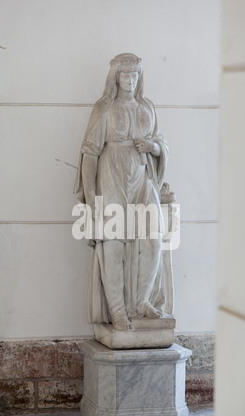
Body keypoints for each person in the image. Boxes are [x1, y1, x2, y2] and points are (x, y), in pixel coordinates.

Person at [74, 53, 169, 331]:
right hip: (112, 175)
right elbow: (90, 153)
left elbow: (161, 142)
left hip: (142, 178)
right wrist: (91, 197)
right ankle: (117, 308)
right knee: (113, 241)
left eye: (134, 75)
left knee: (152, 237)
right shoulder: (104, 108)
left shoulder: (147, 107)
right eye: (125, 75)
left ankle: (141, 301)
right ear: (115, 78)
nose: (130, 80)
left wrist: (153, 147)